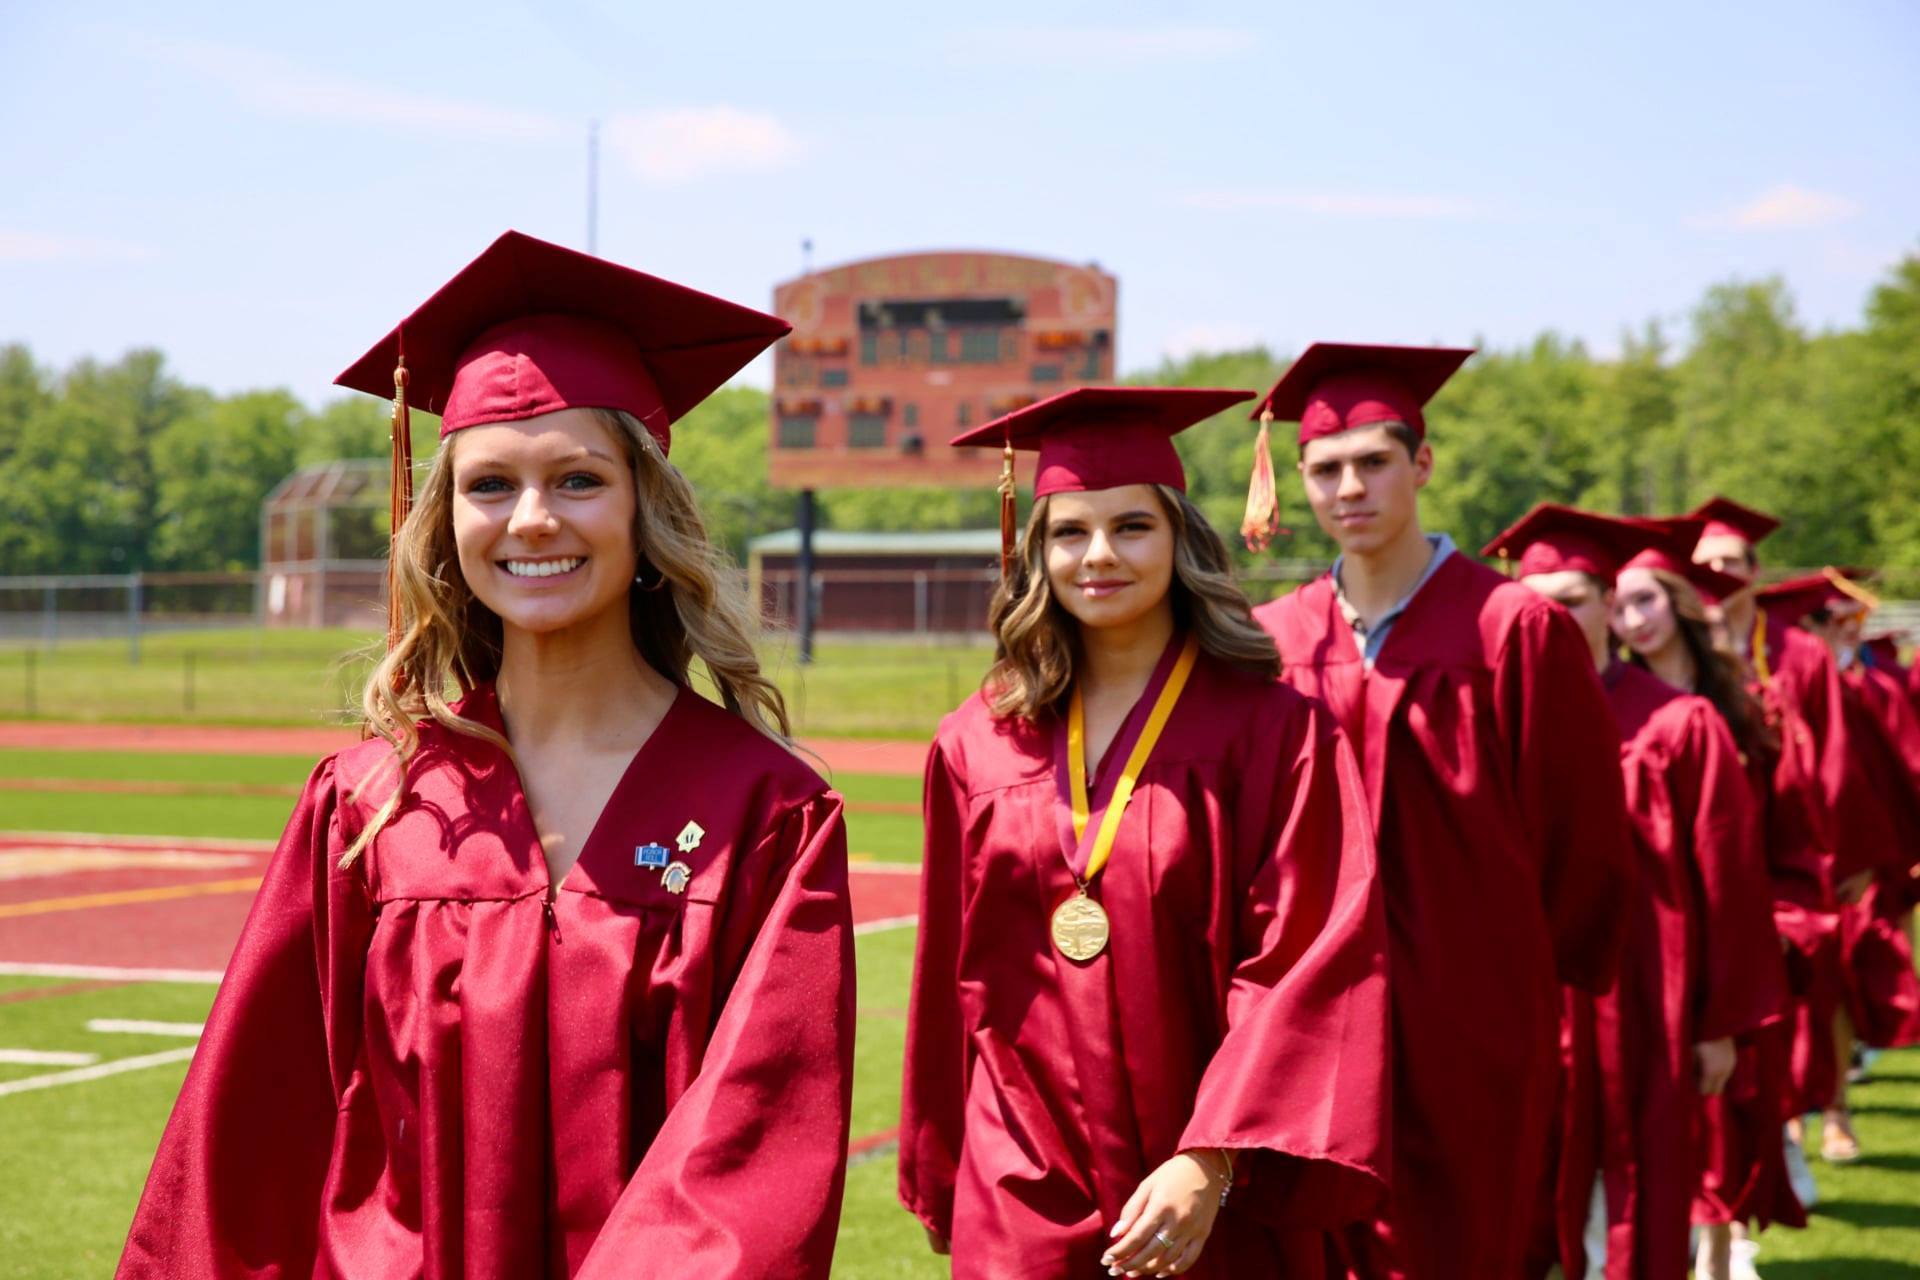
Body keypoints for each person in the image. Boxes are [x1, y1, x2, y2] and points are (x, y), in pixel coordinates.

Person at [116, 231, 856, 1279]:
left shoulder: (765, 813)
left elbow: (750, 1155)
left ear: (648, 507)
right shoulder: (370, 805)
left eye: (579, 477)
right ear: (444, 518)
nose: (533, 517)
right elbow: (250, 1133)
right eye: (491, 484)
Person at [900, 386, 1390, 1279]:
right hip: (1022, 1181)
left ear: (1179, 541)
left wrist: (1215, 1155)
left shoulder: (1273, 731)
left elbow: (1298, 959)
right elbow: (948, 981)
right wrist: (945, 1169)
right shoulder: (975, 742)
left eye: (1132, 527)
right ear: (1034, 552)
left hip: (1206, 1184)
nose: (1099, 555)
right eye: (1068, 532)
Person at [1248, 344, 1634, 1279]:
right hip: (1310, 1013)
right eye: (1326, 468)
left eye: (1374, 461)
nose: (1351, 487)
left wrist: (1508, 972)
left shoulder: (1514, 629)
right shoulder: (1271, 642)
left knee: (1464, 1238)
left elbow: (1580, 841)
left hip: (1472, 1008)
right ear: (1298, 479)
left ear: (1421, 464)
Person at [1491, 504, 1781, 1280]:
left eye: (1575, 599)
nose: (1553, 616)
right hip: (1520, 1000)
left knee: (1636, 1189)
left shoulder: (1680, 724)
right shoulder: (1488, 721)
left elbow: (1727, 880)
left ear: (1610, 606)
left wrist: (1718, 1023)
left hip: (1646, 998)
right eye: (1536, 599)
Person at [1611, 523, 1806, 1278]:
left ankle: (1719, 1257)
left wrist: (1784, 925)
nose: (1634, 620)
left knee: (1722, 1114)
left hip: (1731, 927)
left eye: (1647, 600)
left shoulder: (1741, 705)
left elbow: (1785, 828)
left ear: (1680, 605)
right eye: (1621, 604)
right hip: (1650, 939)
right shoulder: (1614, 706)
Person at [1686, 499, 1900, 1167]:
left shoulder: (1799, 652)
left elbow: (1838, 753)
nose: (1719, 573)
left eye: (1730, 562)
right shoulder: (1683, 646)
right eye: (1706, 564)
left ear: (1754, 572)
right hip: (1719, 851)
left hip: (1800, 846)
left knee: (1821, 983)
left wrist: (1845, 852)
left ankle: (1833, 1108)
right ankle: (1776, 1130)